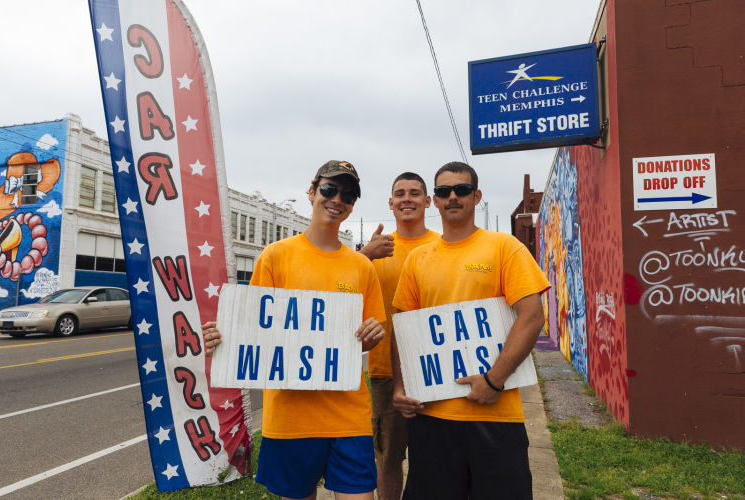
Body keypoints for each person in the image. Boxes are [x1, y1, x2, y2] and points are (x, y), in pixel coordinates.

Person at [203, 160, 387, 500]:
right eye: (330, 189)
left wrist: (372, 336)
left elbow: (366, 343)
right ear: (312, 191)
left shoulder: (362, 266)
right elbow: (253, 329)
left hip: (349, 417)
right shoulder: (275, 257)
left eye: (347, 195)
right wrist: (222, 337)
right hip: (290, 420)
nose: (337, 200)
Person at [390, 161, 550, 500]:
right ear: (434, 200)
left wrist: (495, 380)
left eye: (461, 190)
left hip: (496, 416)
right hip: (431, 415)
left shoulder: (504, 247)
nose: (452, 197)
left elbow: (532, 316)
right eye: (443, 191)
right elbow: (403, 329)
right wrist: (402, 386)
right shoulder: (417, 260)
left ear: (476, 196)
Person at [358, 172, 439, 500]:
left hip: (438, 369)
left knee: (437, 457)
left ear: (427, 201)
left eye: (415, 193)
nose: (407, 198)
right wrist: (364, 255)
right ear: (390, 203)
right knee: (388, 459)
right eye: (400, 194)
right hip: (386, 373)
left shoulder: (442, 245)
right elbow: (339, 287)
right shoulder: (378, 250)